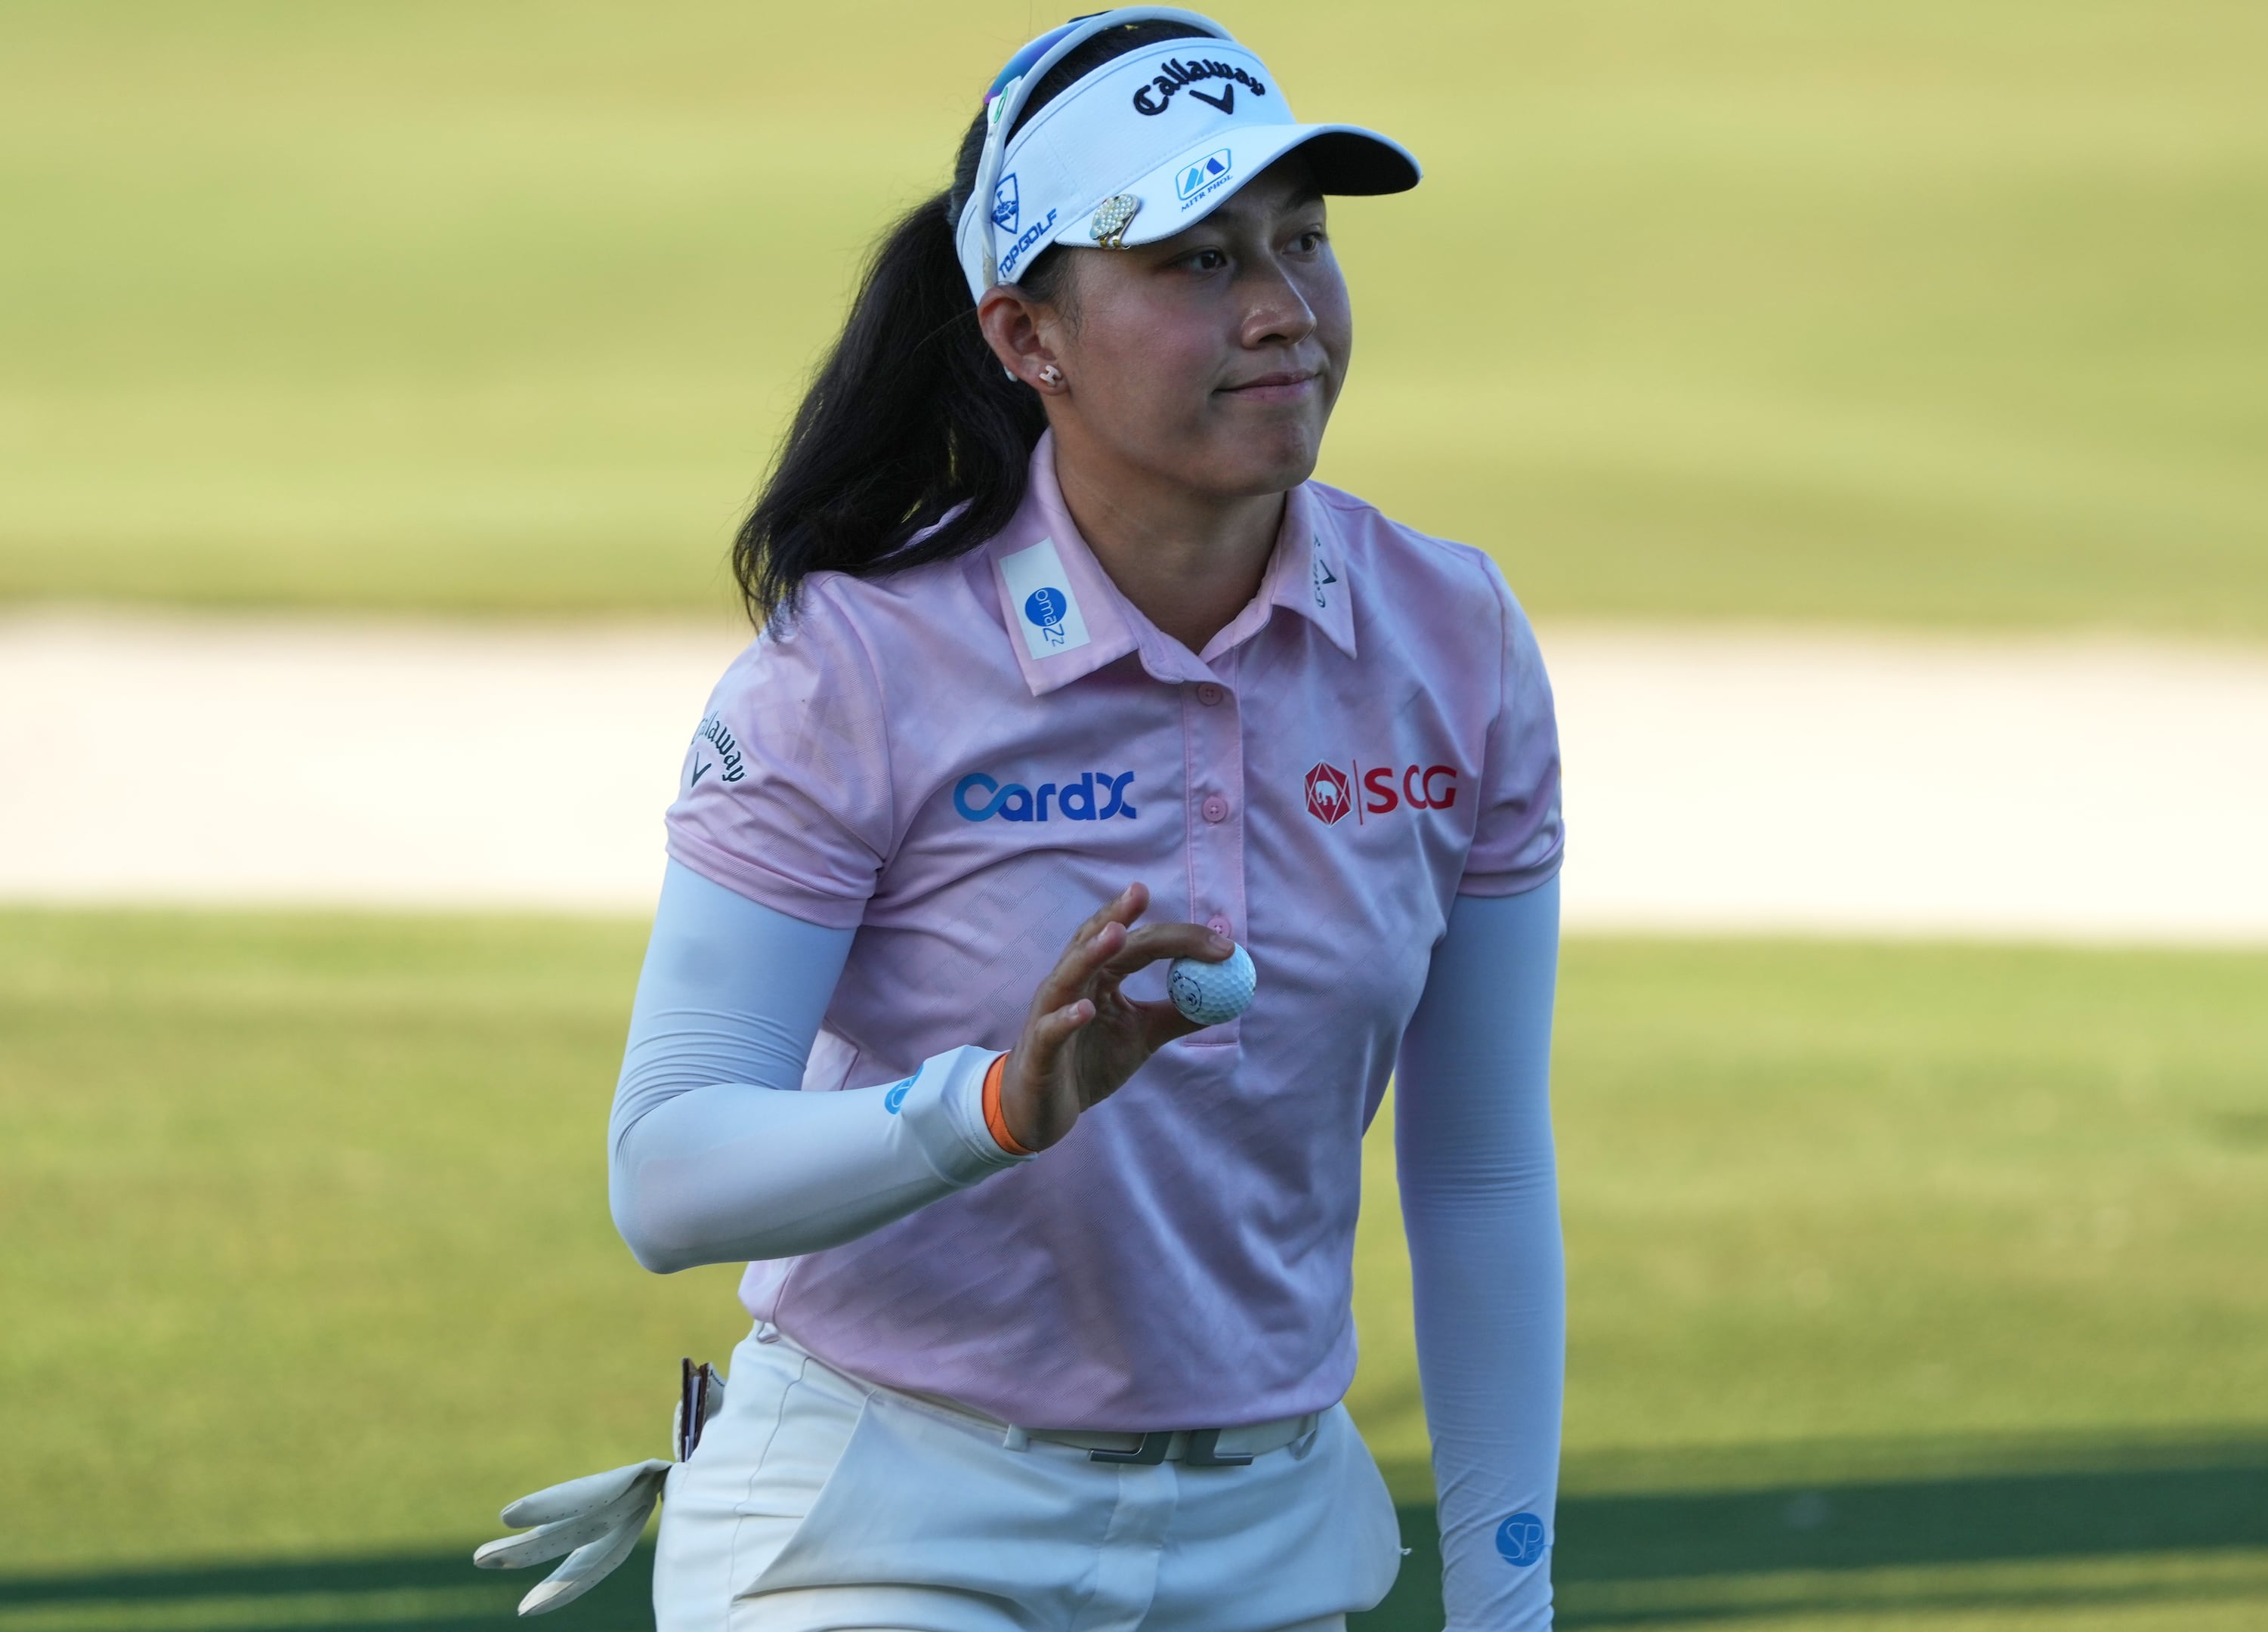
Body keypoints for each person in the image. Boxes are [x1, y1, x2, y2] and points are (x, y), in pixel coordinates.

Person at [480, 11, 1565, 1628]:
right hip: (884, 1526)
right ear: (1025, 336)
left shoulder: (1453, 638)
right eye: (1195, 262)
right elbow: (670, 1174)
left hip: (1269, 1542)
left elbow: (1476, 1174)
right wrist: (993, 1105)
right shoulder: (855, 665)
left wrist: (1506, 1608)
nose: (1281, 312)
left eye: (1301, 243)